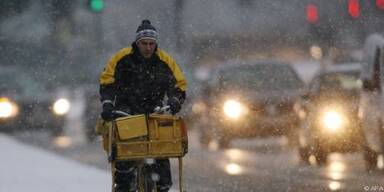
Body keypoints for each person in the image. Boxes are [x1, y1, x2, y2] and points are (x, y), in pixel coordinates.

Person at [99, 19, 187, 192]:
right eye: (144, 43)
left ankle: (162, 185)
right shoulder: (121, 59)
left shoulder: (165, 61)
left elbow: (179, 84)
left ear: (156, 44)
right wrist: (108, 104)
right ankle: (124, 185)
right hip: (127, 113)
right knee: (125, 162)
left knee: (161, 156)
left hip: (155, 112)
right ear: (137, 43)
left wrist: (175, 100)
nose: (148, 47)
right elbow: (107, 82)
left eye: (151, 44)